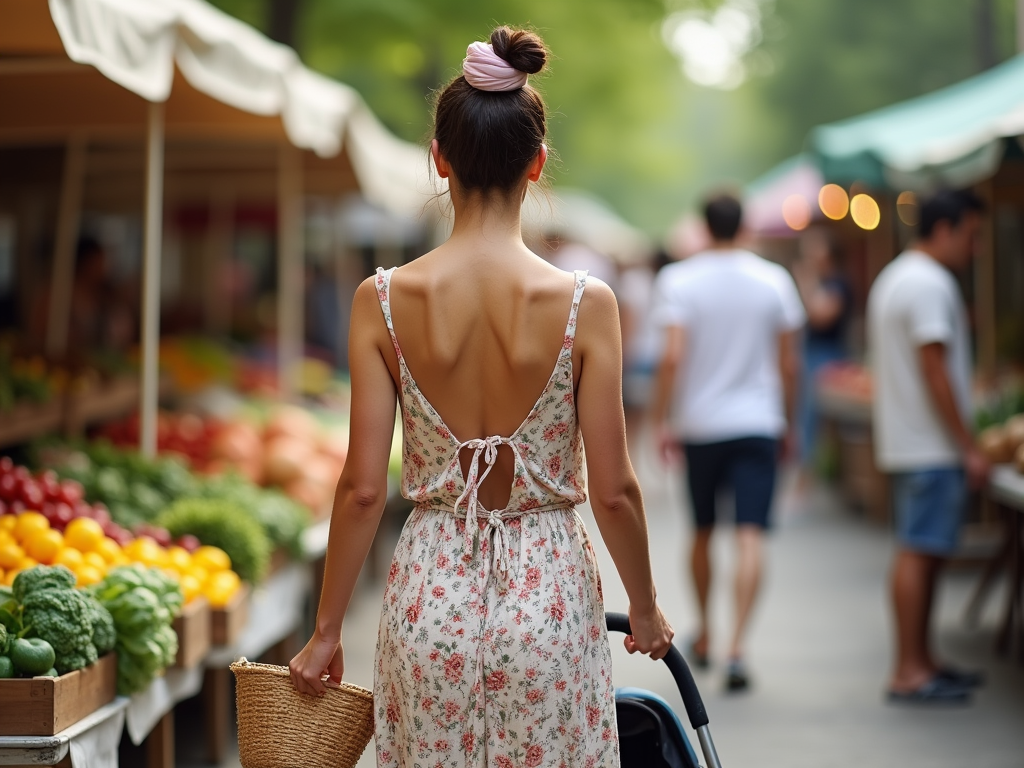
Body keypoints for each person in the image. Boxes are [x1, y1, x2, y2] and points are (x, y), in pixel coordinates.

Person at [288, 27, 674, 767]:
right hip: (550, 601)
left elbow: (364, 489)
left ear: (439, 158)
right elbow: (616, 491)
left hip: (429, 595)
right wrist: (647, 610)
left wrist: (327, 628)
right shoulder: (585, 304)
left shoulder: (383, 300)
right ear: (537, 163)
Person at [652, 192, 804, 692]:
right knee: (751, 533)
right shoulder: (774, 280)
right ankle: (738, 647)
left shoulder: (678, 279)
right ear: (743, 226)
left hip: (701, 425)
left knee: (702, 530)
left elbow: (672, 357)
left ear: (703, 226)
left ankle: (708, 630)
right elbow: (789, 362)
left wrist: (662, 419)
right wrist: (788, 421)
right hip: (759, 421)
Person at [867, 189, 989, 705]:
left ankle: (921, 661)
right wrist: (968, 444)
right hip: (931, 445)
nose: (976, 247)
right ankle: (910, 670)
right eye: (972, 235)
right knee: (919, 551)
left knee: (921, 550)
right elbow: (934, 367)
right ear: (944, 229)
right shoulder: (929, 284)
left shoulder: (897, 276)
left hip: (910, 441)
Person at [792, 227, 851, 476]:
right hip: (813, 351)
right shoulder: (826, 282)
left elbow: (820, 316)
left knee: (814, 417)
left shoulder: (837, 282)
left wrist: (806, 282)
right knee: (807, 416)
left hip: (827, 354)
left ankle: (816, 472)